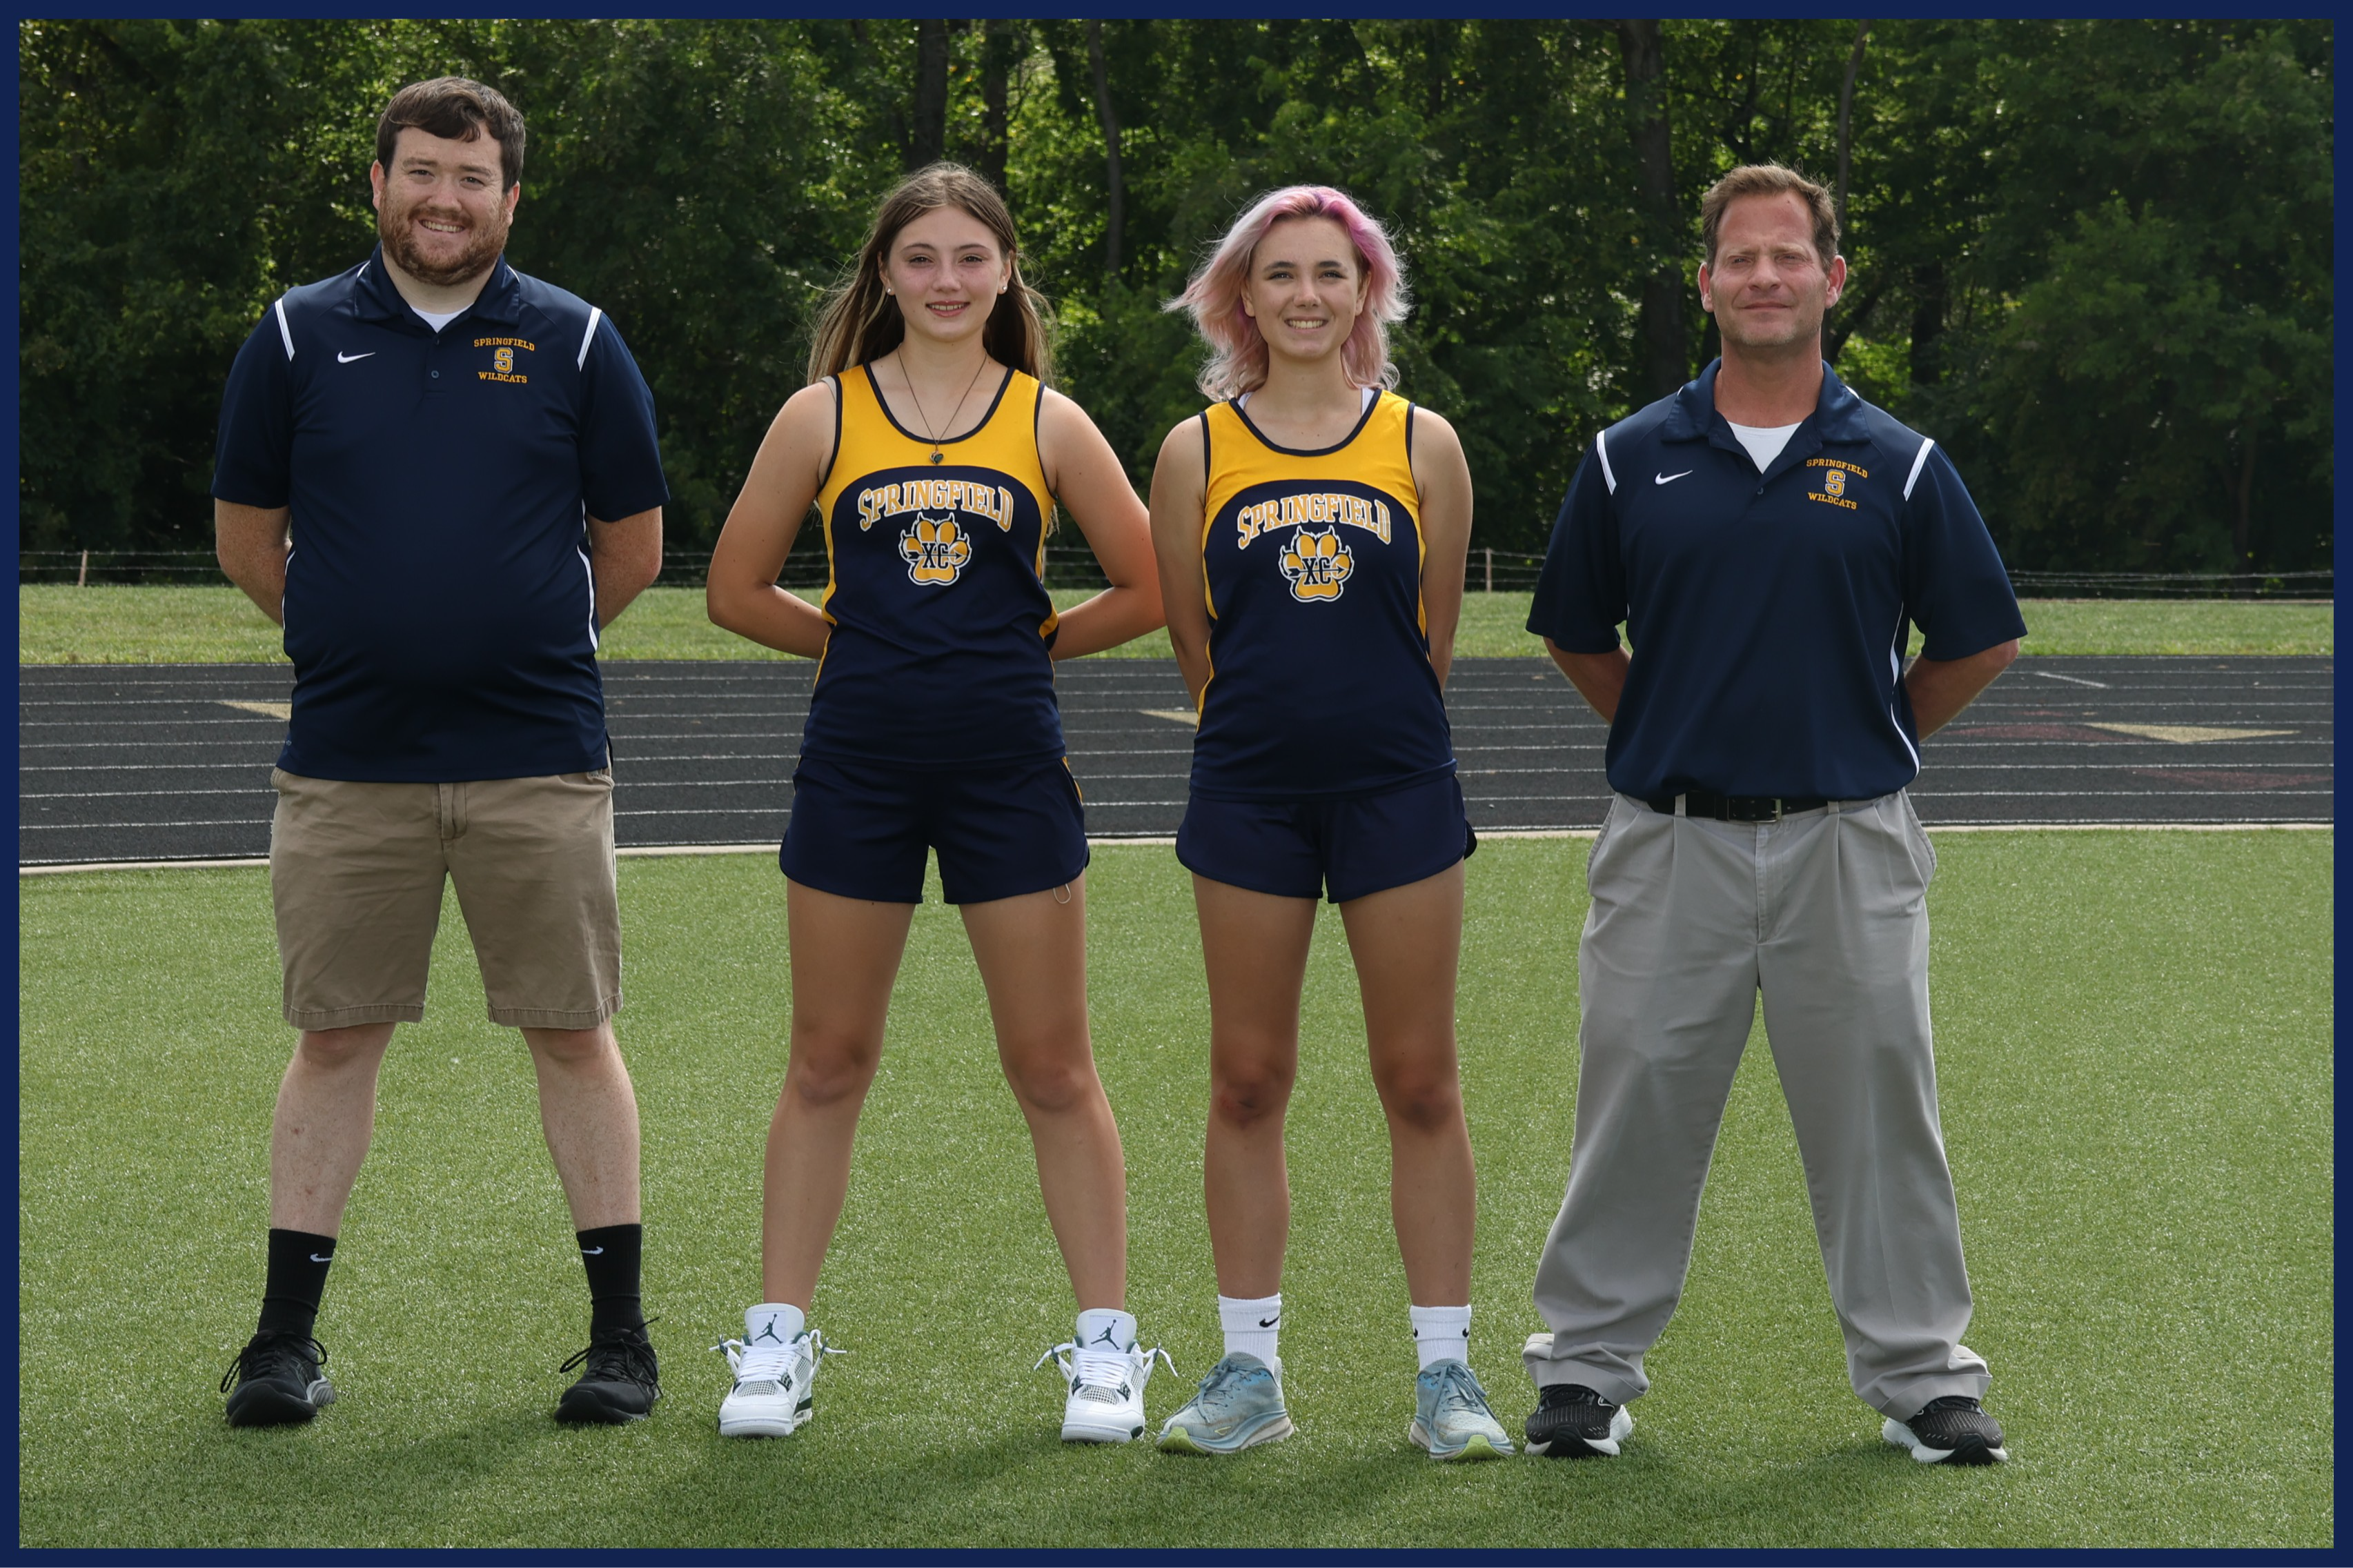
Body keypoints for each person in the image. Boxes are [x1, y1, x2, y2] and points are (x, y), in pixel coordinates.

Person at [1519, 163, 2024, 1465]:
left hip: (1846, 840)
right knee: (1631, 1096)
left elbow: (1978, 640)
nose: (1762, 278)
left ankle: (1922, 1376)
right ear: (1705, 283)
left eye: (1787, 257)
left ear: (1830, 278)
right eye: (1738, 259)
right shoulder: (1629, 457)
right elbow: (1578, 633)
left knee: (1878, 1105)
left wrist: (1878, 734)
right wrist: (1660, 731)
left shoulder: (1899, 464)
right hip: (1666, 840)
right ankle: (1584, 1372)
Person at [209, 77, 669, 1427]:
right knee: (334, 1036)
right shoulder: (293, 337)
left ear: (510, 199)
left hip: (537, 757)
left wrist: (513, 637)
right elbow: (249, 536)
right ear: (377, 182)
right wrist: (358, 632)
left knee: (573, 1033)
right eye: (420, 171)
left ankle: (620, 1341)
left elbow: (632, 547)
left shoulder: (579, 342)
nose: (443, 198)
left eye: (471, 179)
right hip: (351, 761)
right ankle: (283, 1345)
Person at [703, 163, 1170, 1445]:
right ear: (884, 276)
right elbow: (735, 589)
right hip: (855, 763)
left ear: (1007, 272)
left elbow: (1145, 587)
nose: (948, 280)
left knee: (1053, 1066)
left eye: (972, 257)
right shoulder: (822, 416)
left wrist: (1024, 650)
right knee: (826, 1060)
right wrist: (858, 647)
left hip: (1008, 769)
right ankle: (778, 1343)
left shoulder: (1048, 421)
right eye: (922, 259)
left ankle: (1105, 1352)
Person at [1144, 186, 1510, 1462]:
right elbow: (1196, 644)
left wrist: (1364, 742)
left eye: (1330, 274)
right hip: (1246, 797)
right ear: (1241, 297)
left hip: (1398, 793)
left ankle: (1445, 1379)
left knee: (1419, 1081)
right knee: (1247, 1081)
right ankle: (1248, 1373)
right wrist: (1271, 740)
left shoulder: (1424, 443)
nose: (1306, 296)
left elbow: (1433, 639)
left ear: (1366, 295)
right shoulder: (1195, 449)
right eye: (1279, 274)